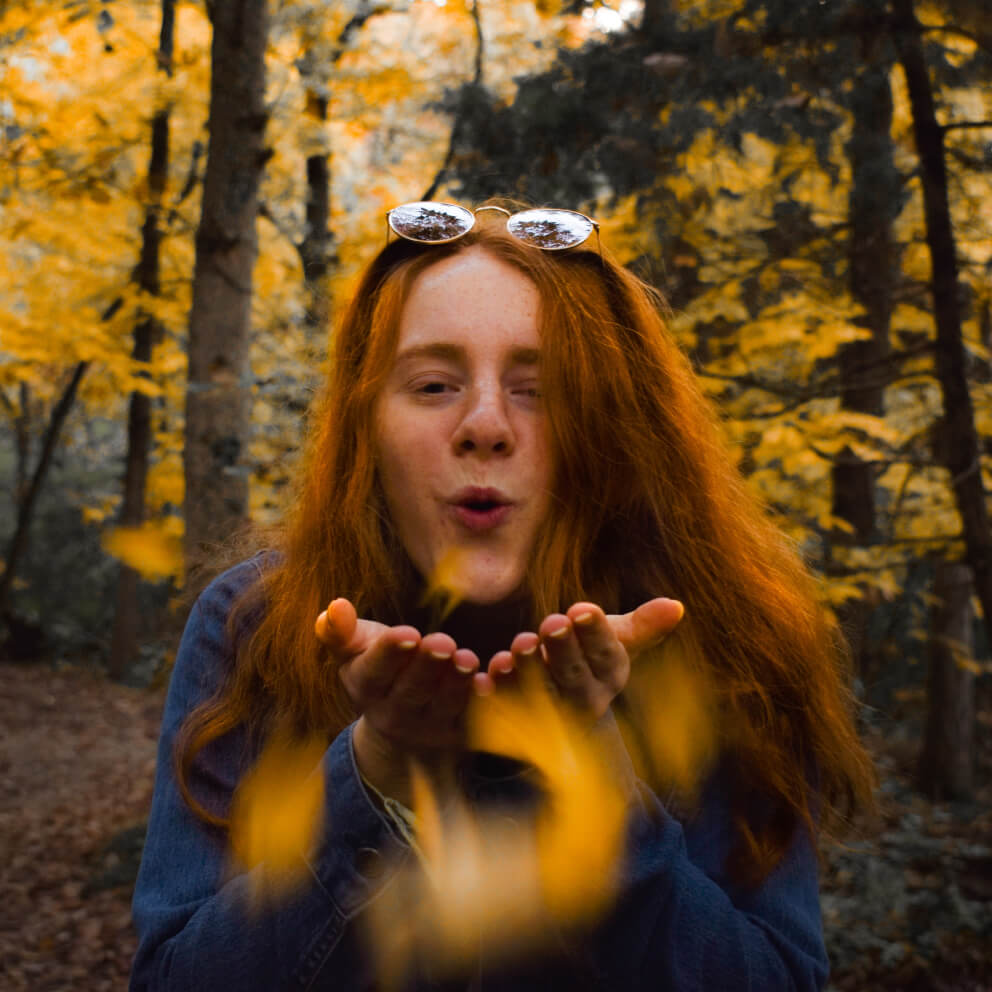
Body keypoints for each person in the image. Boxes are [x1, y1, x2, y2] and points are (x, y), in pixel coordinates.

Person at [130, 201, 874, 991]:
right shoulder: (257, 626)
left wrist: (599, 793)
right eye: (433, 383)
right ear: (366, 426)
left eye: (538, 389)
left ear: (613, 429)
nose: (485, 424)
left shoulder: (733, 640)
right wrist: (373, 778)